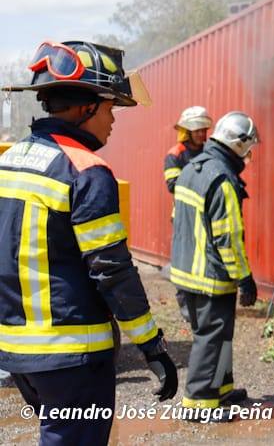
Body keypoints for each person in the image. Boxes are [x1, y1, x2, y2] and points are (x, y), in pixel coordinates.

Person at [0, 40, 177, 445]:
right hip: (71, 355)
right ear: (87, 108)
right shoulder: (87, 170)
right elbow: (112, 269)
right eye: (111, 108)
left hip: (17, 354)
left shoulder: (9, 160)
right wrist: (151, 345)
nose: (113, 121)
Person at [170, 111, 259, 418]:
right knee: (210, 337)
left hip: (185, 271)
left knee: (220, 335)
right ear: (239, 144)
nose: (249, 155)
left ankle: (221, 387)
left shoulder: (192, 169)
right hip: (209, 275)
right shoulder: (222, 178)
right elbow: (229, 237)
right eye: (249, 148)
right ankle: (199, 403)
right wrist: (244, 278)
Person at [164, 106, 213, 321]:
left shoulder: (208, 151)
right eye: (198, 130)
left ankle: (202, 305)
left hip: (205, 215)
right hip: (183, 217)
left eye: (204, 130)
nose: (202, 134)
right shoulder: (175, 155)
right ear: (187, 131)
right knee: (183, 262)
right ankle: (186, 308)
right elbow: (172, 185)